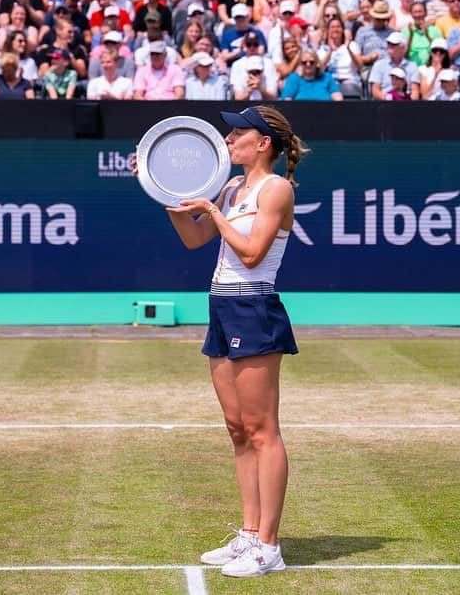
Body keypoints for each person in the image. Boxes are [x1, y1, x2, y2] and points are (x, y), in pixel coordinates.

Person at [138, 105, 301, 578]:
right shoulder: (230, 188)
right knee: (236, 427)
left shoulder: (277, 190)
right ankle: (249, 534)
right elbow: (193, 240)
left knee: (262, 428)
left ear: (263, 143)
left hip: (255, 307)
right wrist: (164, 189)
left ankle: (268, 546)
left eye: (238, 134)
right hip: (222, 305)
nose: (228, 140)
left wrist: (211, 208)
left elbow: (250, 255)